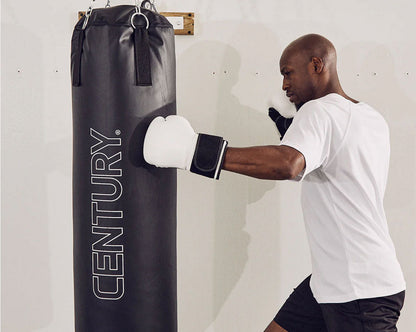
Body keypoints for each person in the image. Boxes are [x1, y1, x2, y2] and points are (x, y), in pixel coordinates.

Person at [143, 34, 406, 332]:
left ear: (317, 65)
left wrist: (193, 151)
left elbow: (287, 165)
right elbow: (329, 167)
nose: (284, 85)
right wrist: (292, 132)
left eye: (287, 73)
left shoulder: (319, 111)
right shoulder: (369, 117)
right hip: (335, 281)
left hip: (358, 290)